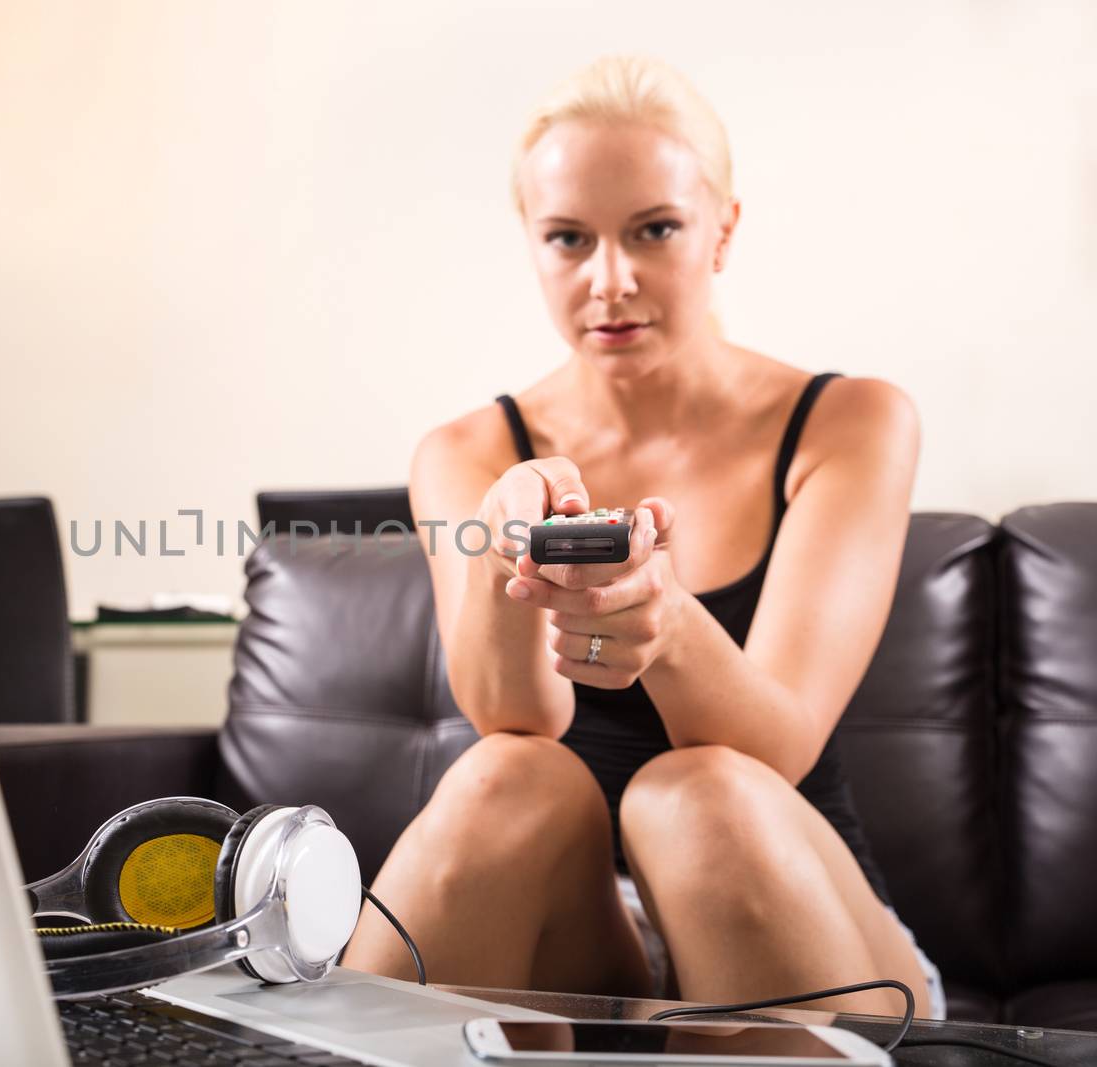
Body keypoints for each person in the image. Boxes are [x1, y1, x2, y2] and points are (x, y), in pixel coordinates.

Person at [337, 54, 945, 1020]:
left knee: (697, 793)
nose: (608, 280)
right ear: (531, 246)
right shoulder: (469, 453)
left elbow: (776, 746)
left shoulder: (852, 421)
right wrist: (504, 555)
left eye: (653, 230)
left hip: (790, 899)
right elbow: (512, 713)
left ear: (722, 230)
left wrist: (667, 621)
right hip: (578, 927)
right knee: (504, 773)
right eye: (568, 239)